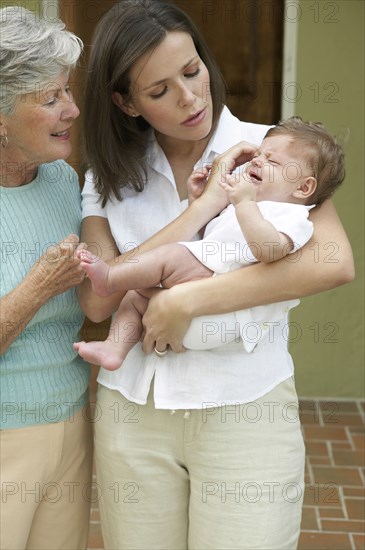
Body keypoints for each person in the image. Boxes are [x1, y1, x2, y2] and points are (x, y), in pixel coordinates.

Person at [77, 1, 354, 548]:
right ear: (125, 103)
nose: (189, 97)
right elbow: (95, 302)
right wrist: (200, 212)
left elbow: (333, 261)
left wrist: (189, 302)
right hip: (133, 415)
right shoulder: (107, 177)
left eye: (192, 69)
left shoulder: (274, 149)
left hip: (245, 408)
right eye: (158, 91)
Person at [74, 117, 345, 370]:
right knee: (134, 295)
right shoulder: (242, 204)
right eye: (259, 154)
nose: (258, 162)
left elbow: (270, 251)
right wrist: (198, 202)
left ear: (304, 188)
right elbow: (210, 241)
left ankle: (110, 277)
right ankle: (114, 348)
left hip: (219, 315)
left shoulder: (294, 216)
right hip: (193, 305)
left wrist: (246, 204)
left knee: (171, 255)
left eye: (272, 162)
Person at [0, 7, 93, 550]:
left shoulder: (63, 179)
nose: (73, 110)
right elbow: (49, 288)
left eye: (68, 91)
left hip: (69, 423)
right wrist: (38, 285)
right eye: (51, 98)